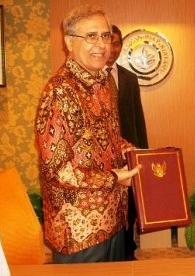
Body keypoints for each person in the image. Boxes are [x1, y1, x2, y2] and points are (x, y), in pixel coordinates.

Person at [35, 5, 141, 263]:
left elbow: (107, 138)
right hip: (79, 229)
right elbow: (57, 169)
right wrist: (113, 178)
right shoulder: (59, 93)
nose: (101, 44)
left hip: (113, 218)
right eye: (90, 36)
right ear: (69, 41)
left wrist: (128, 149)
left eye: (105, 36)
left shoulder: (103, 82)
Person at [104, 24, 148, 261]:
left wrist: (143, 152)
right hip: (103, 158)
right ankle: (111, 252)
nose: (112, 48)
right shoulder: (90, 77)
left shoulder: (130, 78)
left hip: (128, 153)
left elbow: (137, 117)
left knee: (129, 206)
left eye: (117, 43)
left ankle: (127, 250)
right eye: (108, 42)